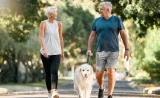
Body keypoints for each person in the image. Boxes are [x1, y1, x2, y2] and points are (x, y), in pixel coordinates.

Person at [86, 1, 129, 98]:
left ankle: (110, 95)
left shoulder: (117, 20)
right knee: (98, 73)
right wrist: (89, 49)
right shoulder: (97, 21)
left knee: (111, 71)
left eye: (101, 9)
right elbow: (92, 36)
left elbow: (123, 34)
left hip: (113, 50)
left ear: (108, 9)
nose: (99, 11)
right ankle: (101, 87)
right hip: (100, 50)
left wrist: (127, 49)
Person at [39, 6, 64, 98]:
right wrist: (44, 49)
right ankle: (49, 92)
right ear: (50, 14)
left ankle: (54, 91)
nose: (57, 14)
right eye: (55, 13)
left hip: (56, 51)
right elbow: (41, 37)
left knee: (54, 71)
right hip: (45, 52)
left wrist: (62, 51)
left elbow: (61, 38)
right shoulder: (43, 23)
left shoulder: (59, 24)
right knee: (48, 72)